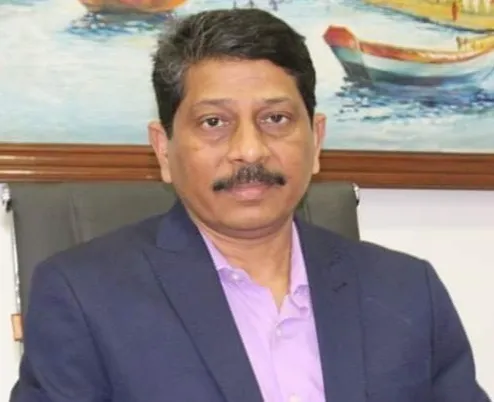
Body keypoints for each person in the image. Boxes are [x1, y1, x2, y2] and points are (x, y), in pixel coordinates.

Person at [10, 8, 490, 402]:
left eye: (275, 118)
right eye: (214, 122)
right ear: (164, 150)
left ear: (316, 140)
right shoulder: (83, 296)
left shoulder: (407, 290)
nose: (250, 150)